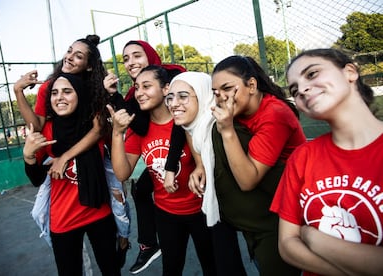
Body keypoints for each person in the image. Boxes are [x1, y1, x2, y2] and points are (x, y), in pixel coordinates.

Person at [14, 35, 131, 266]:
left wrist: (65, 156)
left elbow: (100, 130)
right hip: (65, 216)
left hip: (97, 197)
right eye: (69, 51)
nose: (70, 57)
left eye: (78, 55)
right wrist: (18, 90)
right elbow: (36, 127)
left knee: (118, 194)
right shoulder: (49, 95)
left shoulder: (95, 92)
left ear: (88, 65)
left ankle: (124, 237)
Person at [270, 48, 383, 275]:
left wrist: (313, 238)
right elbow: (287, 245)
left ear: (350, 72)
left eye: (312, 74)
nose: (301, 90)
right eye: (294, 89)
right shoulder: (302, 157)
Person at [108, 65, 216, 276]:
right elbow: (122, 174)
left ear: (166, 88)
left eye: (147, 86)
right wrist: (116, 133)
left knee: (213, 267)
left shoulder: (186, 118)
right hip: (167, 213)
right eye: (137, 87)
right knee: (171, 269)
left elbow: (203, 159)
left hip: (201, 210)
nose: (139, 93)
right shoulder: (140, 129)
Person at [208, 55, 305, 275]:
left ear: (251, 85)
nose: (221, 97)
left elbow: (247, 180)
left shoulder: (274, 113)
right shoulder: (239, 112)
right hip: (262, 206)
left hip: (286, 211)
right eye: (216, 92)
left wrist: (228, 129)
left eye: (227, 88)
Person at [22, 73, 120, 275]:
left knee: (111, 270)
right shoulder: (47, 130)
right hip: (63, 219)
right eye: (54, 93)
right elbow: (36, 178)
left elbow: (104, 116)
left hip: (98, 212)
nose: (60, 97)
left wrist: (64, 157)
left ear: (80, 95)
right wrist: (29, 156)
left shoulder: (96, 124)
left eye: (67, 91)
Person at [104, 40, 186, 274]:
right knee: (141, 190)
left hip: (194, 163)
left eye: (137, 56)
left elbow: (181, 122)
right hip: (170, 196)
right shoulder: (135, 95)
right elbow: (139, 126)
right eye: (126, 59)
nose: (131, 62)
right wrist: (114, 97)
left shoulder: (177, 76)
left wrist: (171, 167)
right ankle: (149, 243)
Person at [164, 71, 220, 227]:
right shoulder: (194, 127)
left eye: (183, 96)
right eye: (170, 98)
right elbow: (187, 130)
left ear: (202, 96)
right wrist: (201, 165)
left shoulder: (219, 129)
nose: (173, 104)